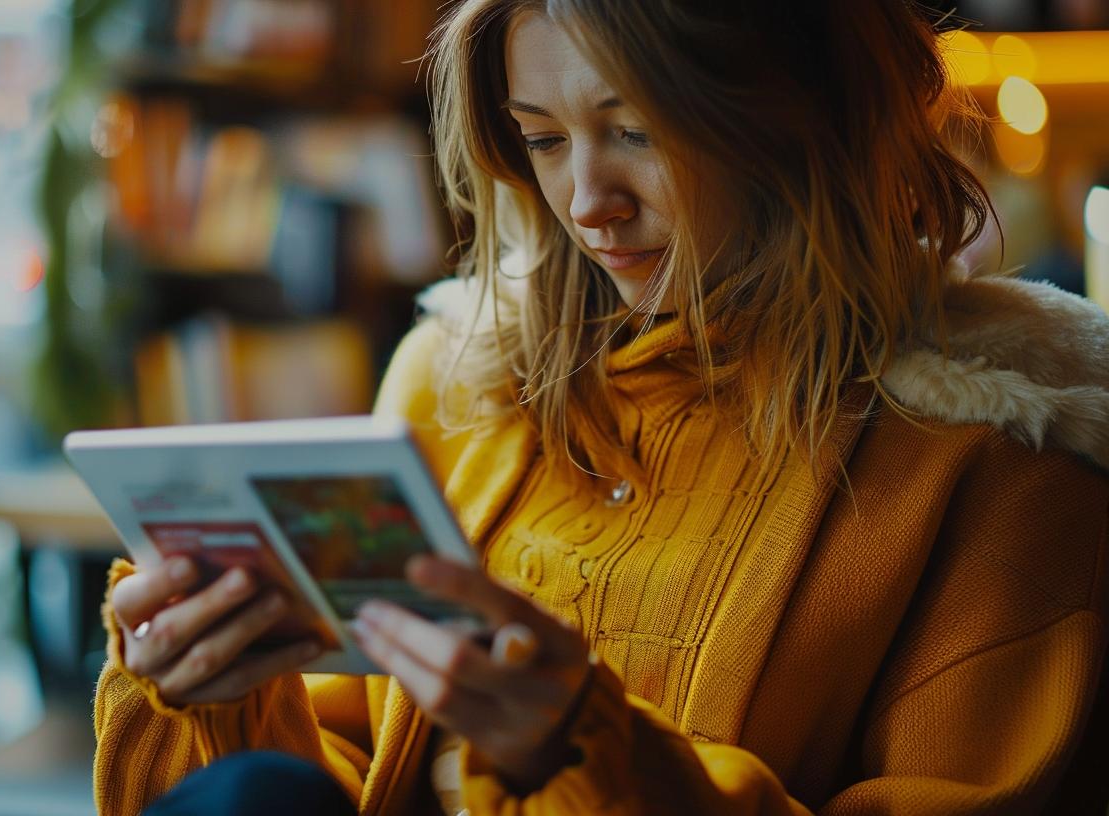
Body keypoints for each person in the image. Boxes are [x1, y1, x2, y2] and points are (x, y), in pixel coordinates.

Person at [93, 1, 1109, 814]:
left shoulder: (1003, 465)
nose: (586, 201)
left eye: (634, 130)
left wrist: (584, 757)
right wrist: (220, 695)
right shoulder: (455, 387)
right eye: (539, 139)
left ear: (799, 117)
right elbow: (351, 770)